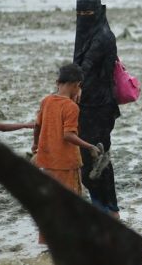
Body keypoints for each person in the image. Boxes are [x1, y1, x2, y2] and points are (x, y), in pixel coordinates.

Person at [32, 64, 101, 243]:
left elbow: (37, 126)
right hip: (65, 163)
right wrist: (89, 146)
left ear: (58, 82)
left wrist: (35, 146)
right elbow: (68, 135)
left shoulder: (46, 101)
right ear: (77, 85)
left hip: (46, 160)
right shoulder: (71, 107)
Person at [73, 0, 121, 218]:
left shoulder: (102, 36)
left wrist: (69, 88)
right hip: (85, 105)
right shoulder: (84, 34)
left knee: (98, 155)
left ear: (98, 12)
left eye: (88, 13)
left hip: (100, 106)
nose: (83, 17)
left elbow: (87, 65)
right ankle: (101, 206)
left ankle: (110, 209)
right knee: (87, 156)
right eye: (79, 13)